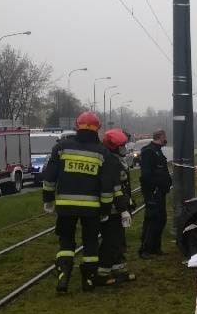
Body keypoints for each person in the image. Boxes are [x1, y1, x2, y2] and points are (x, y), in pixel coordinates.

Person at [41, 111, 115, 293]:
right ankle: (88, 281)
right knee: (90, 242)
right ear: (97, 129)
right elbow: (107, 186)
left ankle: (63, 277)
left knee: (66, 241)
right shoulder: (102, 152)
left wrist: (48, 199)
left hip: (65, 207)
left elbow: (49, 177)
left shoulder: (61, 148)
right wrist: (106, 209)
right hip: (92, 209)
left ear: (76, 126)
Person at [96, 128, 135, 285]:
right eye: (121, 146)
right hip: (112, 209)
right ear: (113, 147)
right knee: (111, 241)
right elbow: (115, 188)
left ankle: (119, 269)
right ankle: (102, 273)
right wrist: (122, 209)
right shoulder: (110, 163)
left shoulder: (117, 160)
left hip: (118, 207)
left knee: (119, 240)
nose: (124, 149)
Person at [139, 129, 172, 259]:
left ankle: (156, 247)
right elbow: (146, 174)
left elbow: (162, 170)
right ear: (161, 136)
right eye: (165, 136)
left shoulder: (157, 150)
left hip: (160, 191)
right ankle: (145, 250)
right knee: (152, 219)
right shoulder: (149, 151)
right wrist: (154, 187)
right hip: (153, 192)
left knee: (161, 219)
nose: (166, 139)